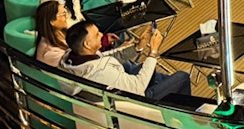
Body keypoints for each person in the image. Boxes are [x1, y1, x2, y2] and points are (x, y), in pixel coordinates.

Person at [60, 21, 191, 101]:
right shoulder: (101, 73)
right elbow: (138, 87)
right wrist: (153, 52)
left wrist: (138, 46)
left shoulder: (70, 59)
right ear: (87, 44)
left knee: (146, 69)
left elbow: (107, 57)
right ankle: (186, 115)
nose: (101, 35)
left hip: (115, 91)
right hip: (135, 102)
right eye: (97, 34)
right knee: (183, 77)